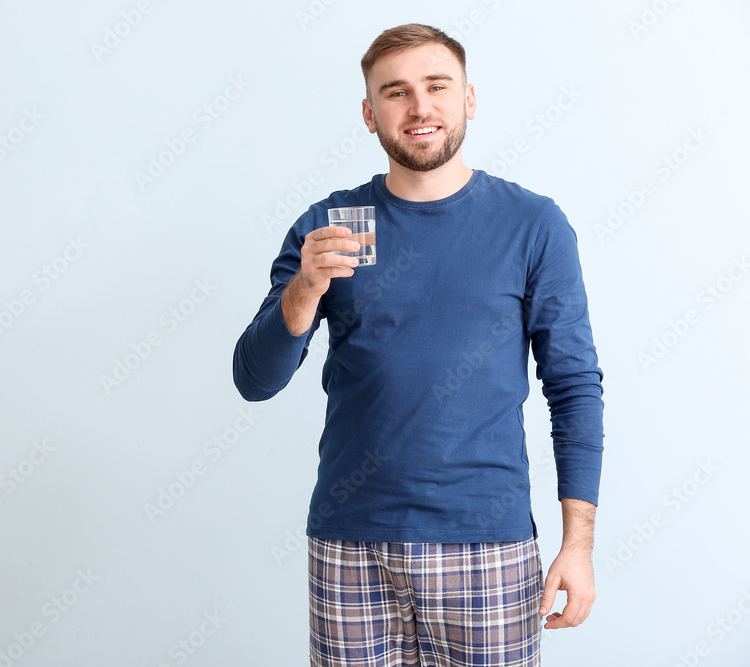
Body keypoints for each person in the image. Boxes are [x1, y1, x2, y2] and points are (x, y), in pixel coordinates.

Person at [232, 23, 604, 667]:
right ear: (371, 115)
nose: (420, 106)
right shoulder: (330, 225)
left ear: (469, 99)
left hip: (487, 544)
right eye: (396, 93)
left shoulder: (532, 224)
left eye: (437, 86)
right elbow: (254, 380)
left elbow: (572, 386)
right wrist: (306, 287)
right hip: (352, 545)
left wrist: (578, 545)